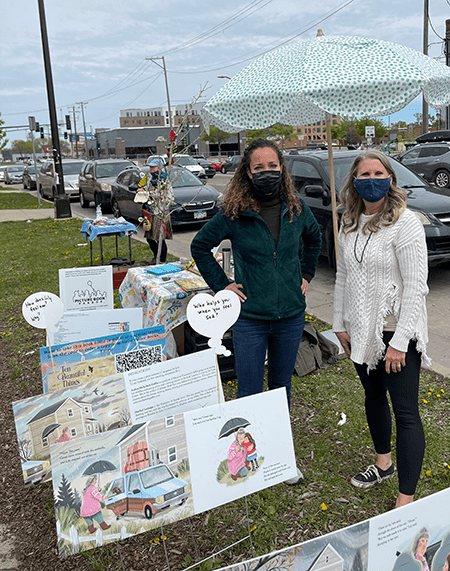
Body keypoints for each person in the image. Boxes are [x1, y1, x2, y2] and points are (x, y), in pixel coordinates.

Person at [191, 138, 322, 485]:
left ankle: (280, 455)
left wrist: (306, 274)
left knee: (280, 387)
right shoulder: (235, 214)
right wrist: (223, 284)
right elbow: (200, 245)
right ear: (247, 173)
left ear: (282, 168)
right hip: (250, 317)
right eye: (259, 167)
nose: (267, 172)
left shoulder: (296, 209)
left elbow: (315, 239)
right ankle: (245, 465)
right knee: (248, 388)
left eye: (273, 166)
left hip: (290, 316)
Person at [333, 150, 430, 509]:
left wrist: (400, 342)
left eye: (379, 173)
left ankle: (406, 497)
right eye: (364, 174)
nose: (371, 179)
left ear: (390, 178)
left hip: (395, 331)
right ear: (354, 181)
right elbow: (343, 277)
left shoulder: (406, 224)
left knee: (405, 412)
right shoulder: (348, 221)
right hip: (360, 330)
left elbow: (416, 286)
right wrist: (339, 323)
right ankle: (383, 463)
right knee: (373, 398)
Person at [143, 158, 171, 263]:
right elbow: (147, 190)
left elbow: (170, 198)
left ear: (160, 169)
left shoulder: (165, 181)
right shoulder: (151, 180)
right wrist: (143, 191)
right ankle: (155, 257)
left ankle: (161, 260)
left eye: (153, 168)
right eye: (150, 167)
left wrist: (158, 196)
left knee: (160, 238)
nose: (151, 170)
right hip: (150, 211)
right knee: (149, 237)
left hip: (161, 212)